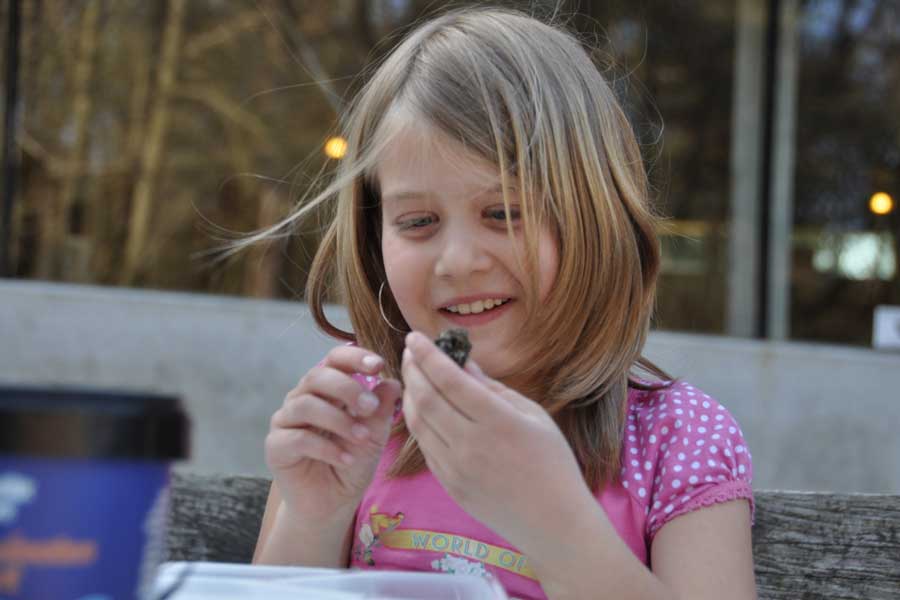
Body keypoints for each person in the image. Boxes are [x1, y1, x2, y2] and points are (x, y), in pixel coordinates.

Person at [251, 6, 757, 599]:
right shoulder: (360, 417)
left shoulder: (675, 439)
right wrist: (313, 517)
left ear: (595, 220)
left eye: (504, 213)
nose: (459, 260)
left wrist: (553, 522)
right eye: (418, 221)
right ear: (373, 235)